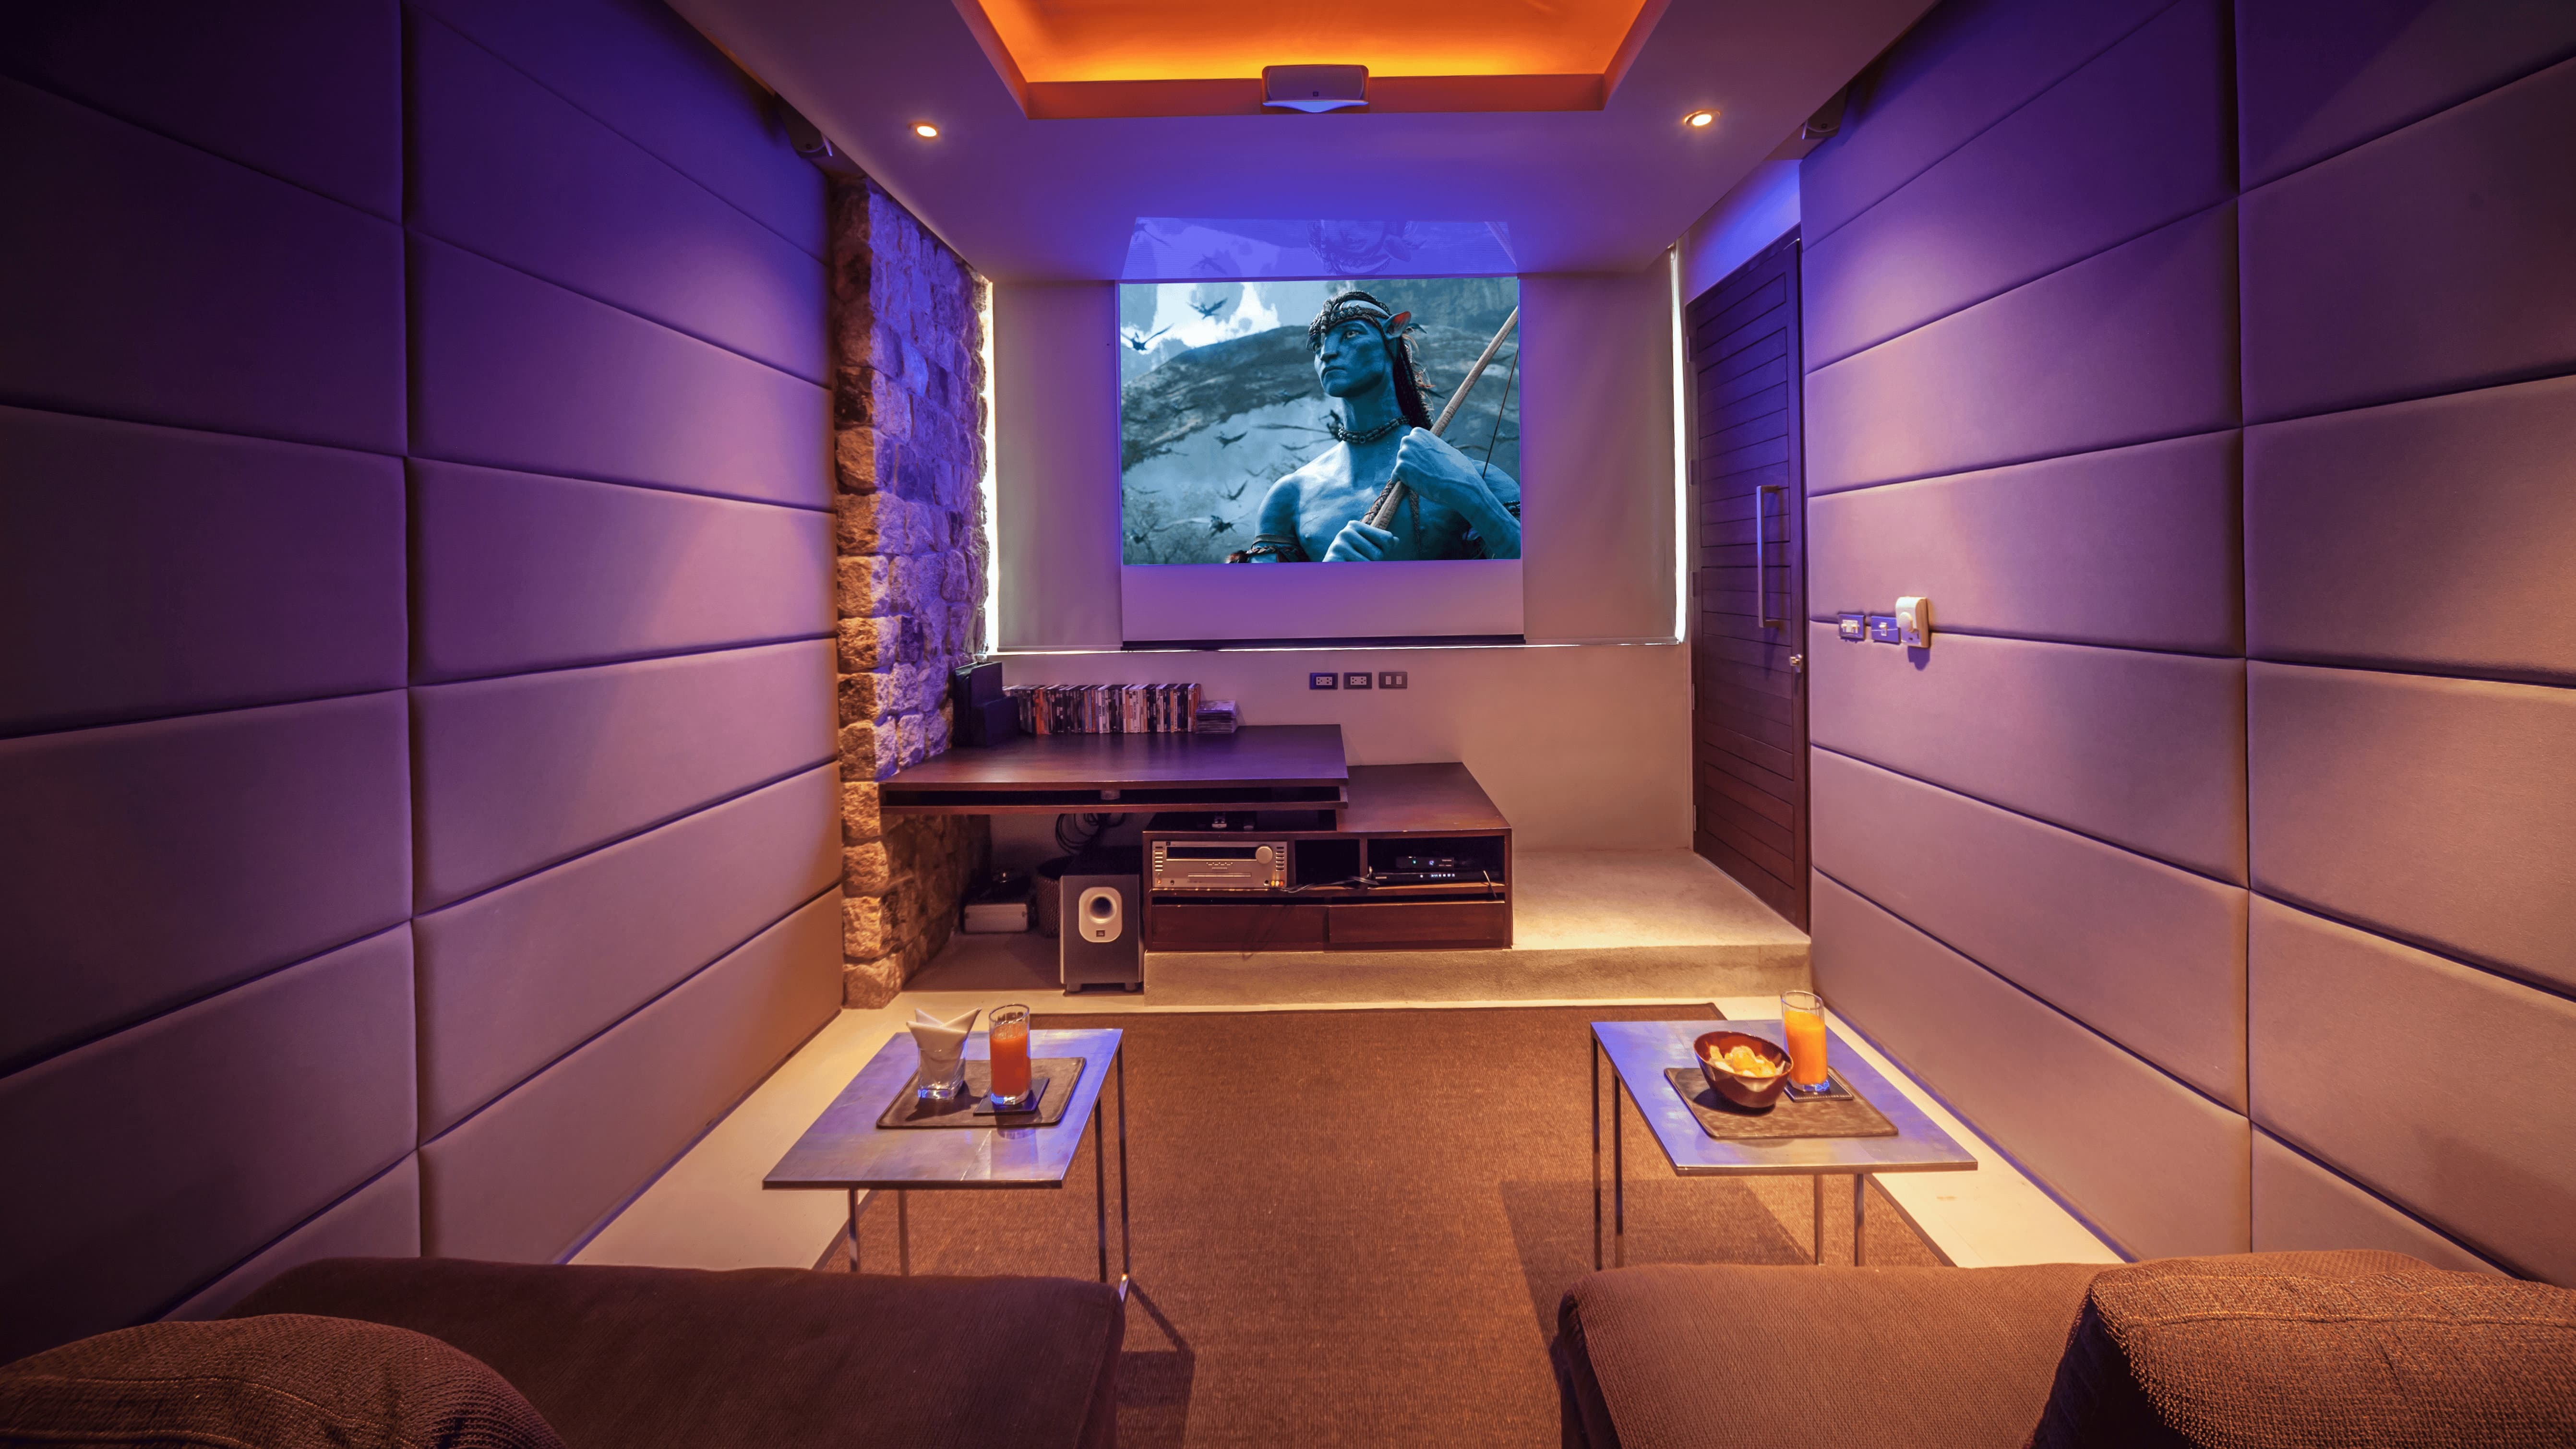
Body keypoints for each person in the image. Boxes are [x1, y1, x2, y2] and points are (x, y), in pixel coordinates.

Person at [1237, 290, 1521, 563]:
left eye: (1351, 334)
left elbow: (1543, 573)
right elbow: (1254, 596)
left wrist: (1471, 495)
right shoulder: (1289, 496)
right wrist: (1326, 579)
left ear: (1393, 331)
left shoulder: (1475, 477)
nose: (1327, 353)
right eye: (1318, 345)